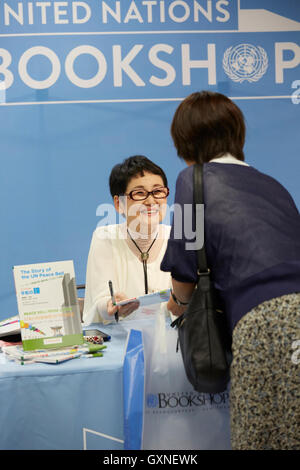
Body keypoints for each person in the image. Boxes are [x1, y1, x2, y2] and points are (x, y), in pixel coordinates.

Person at [160, 91, 300, 450]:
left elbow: (186, 261)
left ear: (185, 139)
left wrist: (174, 304)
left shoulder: (191, 180)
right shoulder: (273, 185)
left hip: (264, 320)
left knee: (259, 435)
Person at [83, 155, 171, 325]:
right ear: (119, 204)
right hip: (118, 341)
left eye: (158, 191)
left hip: (170, 341)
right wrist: (110, 304)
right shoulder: (105, 237)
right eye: (139, 193)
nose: (151, 201)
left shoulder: (177, 238)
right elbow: (100, 299)